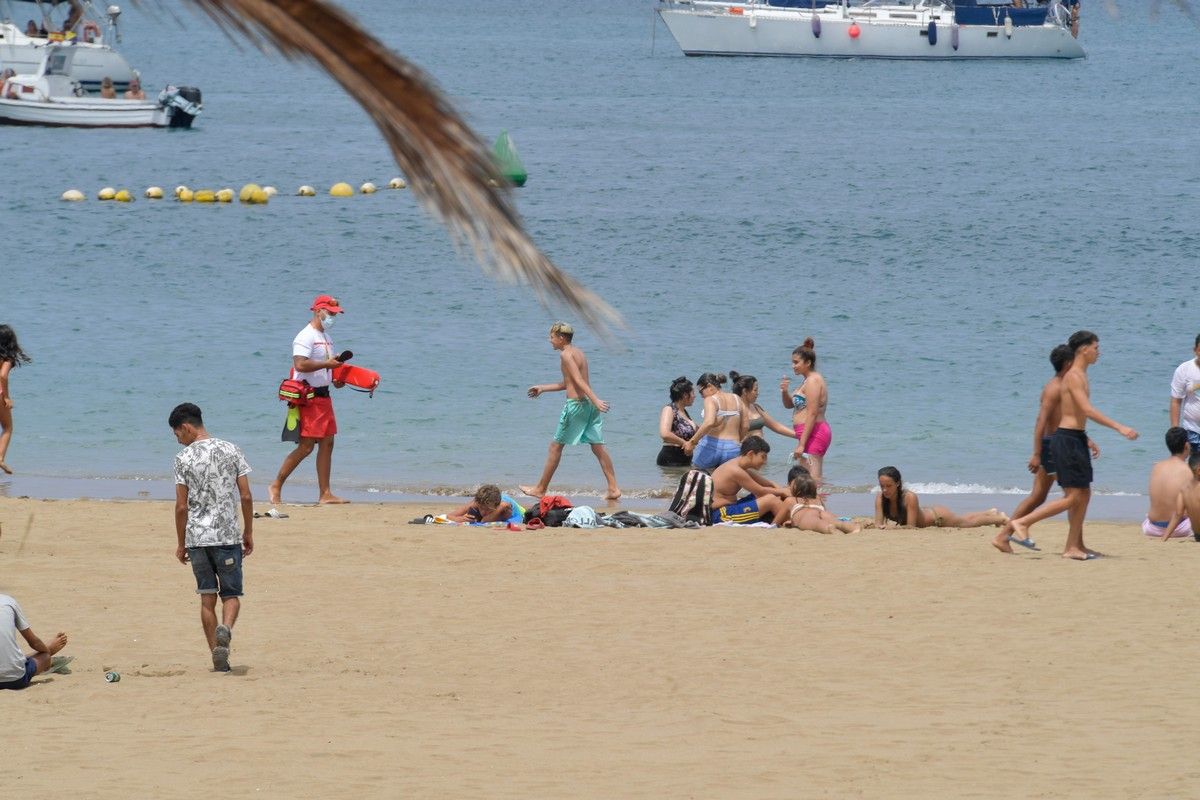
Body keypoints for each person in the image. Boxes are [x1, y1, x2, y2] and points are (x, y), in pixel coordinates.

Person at [1009, 331, 1138, 560]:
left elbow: (1076, 414)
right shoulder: (1074, 376)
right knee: (1072, 497)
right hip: (1067, 439)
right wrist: (1120, 427)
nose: (1099, 352)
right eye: (1096, 347)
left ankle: (1074, 546)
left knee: (1084, 493)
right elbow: (1086, 409)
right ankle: (1023, 522)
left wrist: (1086, 439)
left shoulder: (1080, 375)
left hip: (1075, 437)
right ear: (1083, 349)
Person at [170, 402, 254, 672]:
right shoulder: (231, 449)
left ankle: (218, 658)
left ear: (186, 427)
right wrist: (248, 531)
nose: (179, 441)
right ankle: (226, 629)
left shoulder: (183, 459)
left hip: (197, 538)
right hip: (227, 535)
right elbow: (246, 495)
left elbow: (181, 506)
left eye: (177, 435)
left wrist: (181, 543)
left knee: (207, 598)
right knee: (231, 595)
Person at [993, 345, 1098, 553]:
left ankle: (1004, 536)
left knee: (1040, 496)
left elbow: (1065, 420)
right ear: (1068, 363)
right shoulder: (1054, 387)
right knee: (1075, 495)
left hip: (1057, 442)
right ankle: (1074, 544)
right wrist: (1036, 453)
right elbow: (1041, 421)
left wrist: (1086, 439)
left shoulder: (1065, 385)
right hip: (1052, 446)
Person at [520, 322, 621, 502]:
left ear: (561, 338)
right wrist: (543, 388)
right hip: (589, 405)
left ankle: (540, 489)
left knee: (555, 446)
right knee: (598, 447)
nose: (549, 340)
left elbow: (579, 380)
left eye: (551, 337)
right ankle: (613, 488)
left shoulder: (566, 355)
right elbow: (569, 383)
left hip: (577, 406)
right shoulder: (579, 352)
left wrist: (597, 399)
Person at [269, 295, 349, 505]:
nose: (332, 317)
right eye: (330, 313)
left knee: (328, 443)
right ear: (317, 311)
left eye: (335, 314)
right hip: (308, 398)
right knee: (306, 447)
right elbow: (300, 365)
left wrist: (336, 379)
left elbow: (326, 368)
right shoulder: (305, 336)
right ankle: (276, 485)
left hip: (324, 396)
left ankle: (325, 494)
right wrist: (327, 365)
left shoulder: (327, 337)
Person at [875, 466, 1008, 529]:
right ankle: (989, 512)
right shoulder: (880, 499)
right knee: (964, 517)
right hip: (931, 513)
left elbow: (911, 527)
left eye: (889, 486)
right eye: (882, 486)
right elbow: (878, 525)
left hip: (938, 517)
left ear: (897, 483)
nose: (885, 490)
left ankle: (1000, 519)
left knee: (967, 523)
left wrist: (891, 528)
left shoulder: (909, 497)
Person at [780, 338, 831, 485]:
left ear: (808, 363)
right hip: (807, 433)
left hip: (815, 432)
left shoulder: (814, 380)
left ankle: (819, 507)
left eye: (796, 362)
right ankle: (812, 506)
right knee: (806, 481)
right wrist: (784, 392)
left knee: (813, 481)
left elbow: (812, 413)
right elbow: (790, 405)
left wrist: (801, 444)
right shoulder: (806, 381)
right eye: (792, 362)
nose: (793, 366)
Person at [710, 436, 792, 524]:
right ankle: (793, 521)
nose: (765, 462)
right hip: (721, 514)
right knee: (771, 499)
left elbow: (767, 484)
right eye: (763, 457)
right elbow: (760, 491)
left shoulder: (740, 466)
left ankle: (788, 516)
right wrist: (782, 492)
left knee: (772, 494)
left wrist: (785, 492)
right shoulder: (736, 471)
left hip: (730, 508)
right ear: (751, 454)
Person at [0, 593, 68, 690]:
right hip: (15, 680)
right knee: (45, 657)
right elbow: (33, 642)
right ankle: (47, 650)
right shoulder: (8, 601)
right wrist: (47, 651)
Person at [683, 372, 747, 471]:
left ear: (709, 386)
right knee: (727, 482)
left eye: (701, 391)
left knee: (697, 478)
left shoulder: (711, 399)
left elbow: (709, 422)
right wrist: (735, 442)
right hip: (733, 448)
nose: (701, 396)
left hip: (711, 447)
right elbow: (745, 426)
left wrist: (691, 442)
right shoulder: (737, 399)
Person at [1143, 427, 1193, 539]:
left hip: (1151, 527)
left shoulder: (1156, 467)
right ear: (1186, 445)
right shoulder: (1188, 470)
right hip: (1180, 528)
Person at [0, 324, 32, 475]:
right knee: (7, 427)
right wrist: (6, 396)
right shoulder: (7, 358)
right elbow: (3, 376)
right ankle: (0, 458)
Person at [730, 372, 796, 443]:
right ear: (745, 391)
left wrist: (799, 436)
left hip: (761, 452)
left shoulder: (756, 408)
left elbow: (777, 427)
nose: (758, 393)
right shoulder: (734, 411)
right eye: (755, 390)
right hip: (745, 452)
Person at [784, 473, 859, 534]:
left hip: (805, 514)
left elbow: (775, 523)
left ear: (797, 491)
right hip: (821, 511)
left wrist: (789, 521)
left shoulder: (791, 500)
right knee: (835, 521)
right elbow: (823, 511)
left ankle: (829, 529)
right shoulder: (818, 499)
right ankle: (852, 527)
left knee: (816, 523)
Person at [1169, 334, 1200, 456]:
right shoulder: (1184, 369)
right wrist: (1175, 431)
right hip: (1192, 430)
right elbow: (1176, 401)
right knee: (1194, 470)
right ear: (1195, 350)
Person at [656, 376, 697, 468]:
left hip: (684, 460)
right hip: (670, 459)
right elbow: (665, 433)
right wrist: (685, 443)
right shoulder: (669, 409)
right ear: (685, 395)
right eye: (693, 392)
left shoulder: (683, 412)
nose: (694, 396)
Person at [1161, 451, 1200, 542]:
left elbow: (1178, 515)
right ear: (1199, 471)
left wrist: (1164, 538)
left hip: (1197, 536)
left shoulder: (1184, 489)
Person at [448, 484, 525, 524]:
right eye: (482, 508)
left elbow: (484, 521)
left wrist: (500, 508)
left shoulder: (504, 507)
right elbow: (450, 515)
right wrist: (459, 519)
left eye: (488, 510)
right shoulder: (478, 502)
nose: (484, 512)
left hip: (519, 510)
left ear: (497, 506)